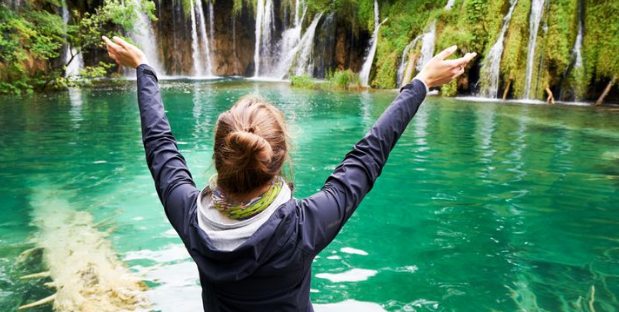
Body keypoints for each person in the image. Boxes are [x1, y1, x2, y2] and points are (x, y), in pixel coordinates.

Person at [102, 35, 476, 312]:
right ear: (277, 159)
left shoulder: (191, 217)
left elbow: (159, 146)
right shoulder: (302, 227)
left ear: (220, 158)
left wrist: (144, 70)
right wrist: (422, 82)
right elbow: (369, 154)